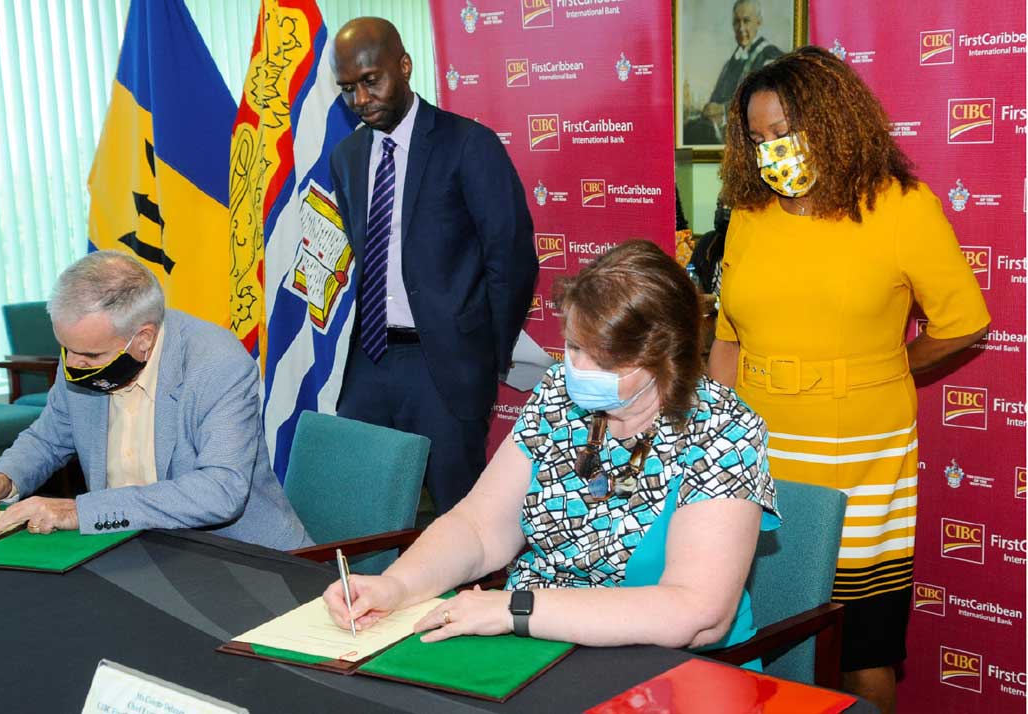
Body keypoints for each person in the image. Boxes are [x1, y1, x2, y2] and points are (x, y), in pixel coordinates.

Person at [323, 241, 780, 655]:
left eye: (600, 359)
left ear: (665, 357)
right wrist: (397, 587)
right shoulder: (560, 395)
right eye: (574, 347)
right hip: (539, 644)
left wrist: (515, 610)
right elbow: (480, 527)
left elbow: (695, 612)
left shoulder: (723, 431)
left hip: (669, 666)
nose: (577, 368)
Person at [709, 46, 989, 713]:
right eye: (758, 138)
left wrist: (887, 369)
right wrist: (716, 438)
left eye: (784, 132)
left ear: (831, 122)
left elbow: (964, 322)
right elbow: (727, 337)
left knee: (861, 647)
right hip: (761, 455)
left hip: (861, 457)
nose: (771, 150)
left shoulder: (898, 205)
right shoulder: (750, 213)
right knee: (764, 633)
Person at [0, 252, 312, 551]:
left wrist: (80, 511)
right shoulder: (83, 354)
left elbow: (220, 491)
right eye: (67, 349)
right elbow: (48, 438)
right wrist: (3, 477)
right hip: (130, 549)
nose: (73, 365)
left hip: (235, 557)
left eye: (90, 355)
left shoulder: (217, 365)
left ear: (143, 339)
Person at [328, 17, 538, 515]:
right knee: (361, 510)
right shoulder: (347, 156)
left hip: (444, 363)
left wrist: (485, 354)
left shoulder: (467, 144)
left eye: (371, 80)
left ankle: (470, 596)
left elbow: (510, 259)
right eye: (348, 89)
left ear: (404, 66)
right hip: (369, 360)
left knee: (458, 514)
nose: (360, 100)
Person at [699, 0, 784, 139]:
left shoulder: (771, 58)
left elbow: (770, 109)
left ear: (759, 22)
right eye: (736, 22)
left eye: (746, 21)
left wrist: (723, 111)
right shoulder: (729, 65)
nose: (741, 28)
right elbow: (715, 98)